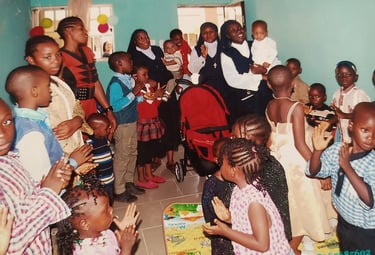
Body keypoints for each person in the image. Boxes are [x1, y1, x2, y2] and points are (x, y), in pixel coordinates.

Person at [265, 65, 332, 254]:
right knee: (303, 199)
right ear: (293, 84)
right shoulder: (295, 108)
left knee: (288, 200)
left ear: (269, 85)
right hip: (294, 160)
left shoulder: (269, 106)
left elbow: (271, 137)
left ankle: (288, 235)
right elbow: (300, 144)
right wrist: (319, 171)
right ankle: (291, 246)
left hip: (276, 156)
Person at [0, 97, 73, 254]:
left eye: (6, 122)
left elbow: (23, 200)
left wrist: (50, 183)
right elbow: (10, 243)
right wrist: (48, 193)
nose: (2, 134)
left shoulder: (9, 159)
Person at [202, 138, 291, 254]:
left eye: (221, 163)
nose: (219, 166)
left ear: (233, 171)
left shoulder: (254, 203)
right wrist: (229, 218)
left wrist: (225, 232)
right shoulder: (241, 187)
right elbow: (246, 222)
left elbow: (262, 245)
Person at [307, 101, 375, 252]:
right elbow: (313, 171)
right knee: (346, 249)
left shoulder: (372, 163)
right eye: (365, 130)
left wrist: (347, 167)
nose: (371, 137)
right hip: (344, 221)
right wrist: (317, 151)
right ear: (351, 125)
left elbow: (370, 199)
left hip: (366, 231)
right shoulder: (338, 149)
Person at [5, 65, 93, 182]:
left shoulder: (35, 119)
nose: (50, 90)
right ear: (34, 91)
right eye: (47, 86)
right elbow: (43, 180)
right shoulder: (31, 134)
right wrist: (73, 163)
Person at [24, 35, 93, 157]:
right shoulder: (32, 90)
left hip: (75, 150)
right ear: (31, 60)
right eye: (47, 57)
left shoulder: (59, 83)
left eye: (58, 55)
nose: (55, 60)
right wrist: (70, 160)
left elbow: (76, 107)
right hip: (58, 157)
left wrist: (77, 121)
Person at [232, 113, 292, 241]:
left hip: (265, 233)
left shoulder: (269, 169)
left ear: (249, 141)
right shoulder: (241, 161)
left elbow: (280, 209)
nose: (231, 140)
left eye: (235, 138)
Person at [56, 16, 117, 140]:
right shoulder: (60, 57)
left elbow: (94, 82)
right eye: (81, 29)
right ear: (68, 31)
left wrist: (108, 110)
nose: (86, 32)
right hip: (74, 109)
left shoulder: (87, 52)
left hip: (91, 106)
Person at [128, 29, 179, 172]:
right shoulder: (133, 55)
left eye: (147, 36)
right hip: (152, 94)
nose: (145, 40)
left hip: (168, 91)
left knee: (171, 123)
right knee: (156, 126)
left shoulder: (157, 50)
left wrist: (176, 75)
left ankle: (170, 160)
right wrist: (156, 88)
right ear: (135, 41)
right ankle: (154, 158)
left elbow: (168, 65)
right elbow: (137, 76)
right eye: (141, 38)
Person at [56, 174, 139, 255]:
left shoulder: (98, 231)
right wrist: (126, 248)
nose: (112, 210)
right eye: (105, 210)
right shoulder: (87, 252)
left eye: (109, 205)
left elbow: (109, 246)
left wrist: (121, 238)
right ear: (85, 224)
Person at [106, 51, 145, 203]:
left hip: (131, 121)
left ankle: (129, 182)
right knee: (122, 155)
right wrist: (134, 93)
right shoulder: (116, 83)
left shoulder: (126, 79)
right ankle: (119, 189)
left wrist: (142, 97)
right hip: (122, 124)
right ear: (119, 64)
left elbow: (131, 101)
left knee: (132, 152)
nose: (132, 63)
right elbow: (115, 106)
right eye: (129, 60)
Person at [220, 20, 272, 121]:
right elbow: (233, 79)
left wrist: (264, 70)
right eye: (233, 30)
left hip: (265, 94)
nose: (239, 31)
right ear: (228, 35)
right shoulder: (227, 54)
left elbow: (271, 63)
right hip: (245, 101)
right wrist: (261, 76)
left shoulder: (256, 45)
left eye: (240, 28)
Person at [188, 22, 234, 120]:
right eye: (205, 32)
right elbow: (192, 70)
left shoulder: (226, 47)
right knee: (211, 116)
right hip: (206, 88)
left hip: (225, 86)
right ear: (201, 34)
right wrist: (203, 57)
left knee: (227, 114)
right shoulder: (196, 49)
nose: (208, 34)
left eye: (211, 31)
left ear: (216, 32)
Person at [133, 64, 166, 189]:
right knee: (142, 152)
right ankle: (141, 178)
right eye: (144, 74)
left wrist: (159, 96)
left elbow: (154, 105)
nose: (147, 77)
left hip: (153, 122)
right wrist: (154, 96)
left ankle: (149, 174)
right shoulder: (135, 91)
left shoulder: (149, 88)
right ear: (135, 76)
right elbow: (138, 106)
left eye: (147, 74)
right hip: (143, 124)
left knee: (150, 151)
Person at [201, 137, 234, 255]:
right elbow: (206, 207)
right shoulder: (211, 184)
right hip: (220, 230)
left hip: (237, 225)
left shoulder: (239, 179)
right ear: (216, 160)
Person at [331, 60, 370, 143]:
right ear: (336, 77)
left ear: (356, 77)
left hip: (356, 138)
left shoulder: (359, 94)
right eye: (340, 74)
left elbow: (365, 116)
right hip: (341, 135)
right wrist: (328, 122)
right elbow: (337, 115)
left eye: (348, 74)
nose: (344, 77)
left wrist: (344, 115)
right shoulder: (336, 94)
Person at [86, 113, 115, 202]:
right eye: (106, 129)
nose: (108, 130)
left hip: (109, 178)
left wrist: (111, 133)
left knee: (110, 199)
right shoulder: (89, 144)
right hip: (99, 182)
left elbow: (109, 148)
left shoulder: (104, 139)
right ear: (95, 130)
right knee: (102, 201)